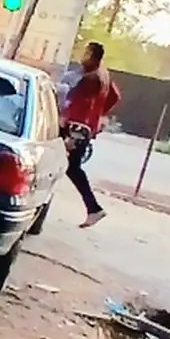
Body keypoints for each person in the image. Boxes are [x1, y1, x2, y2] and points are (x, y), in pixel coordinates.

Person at [60, 41, 121, 229]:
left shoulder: (88, 77)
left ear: (93, 56)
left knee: (71, 167)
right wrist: (98, 114)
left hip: (76, 126)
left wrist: (65, 115)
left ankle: (93, 208)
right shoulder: (104, 75)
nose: (82, 56)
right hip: (86, 126)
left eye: (86, 53)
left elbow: (72, 99)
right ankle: (93, 208)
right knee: (69, 166)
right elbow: (115, 96)